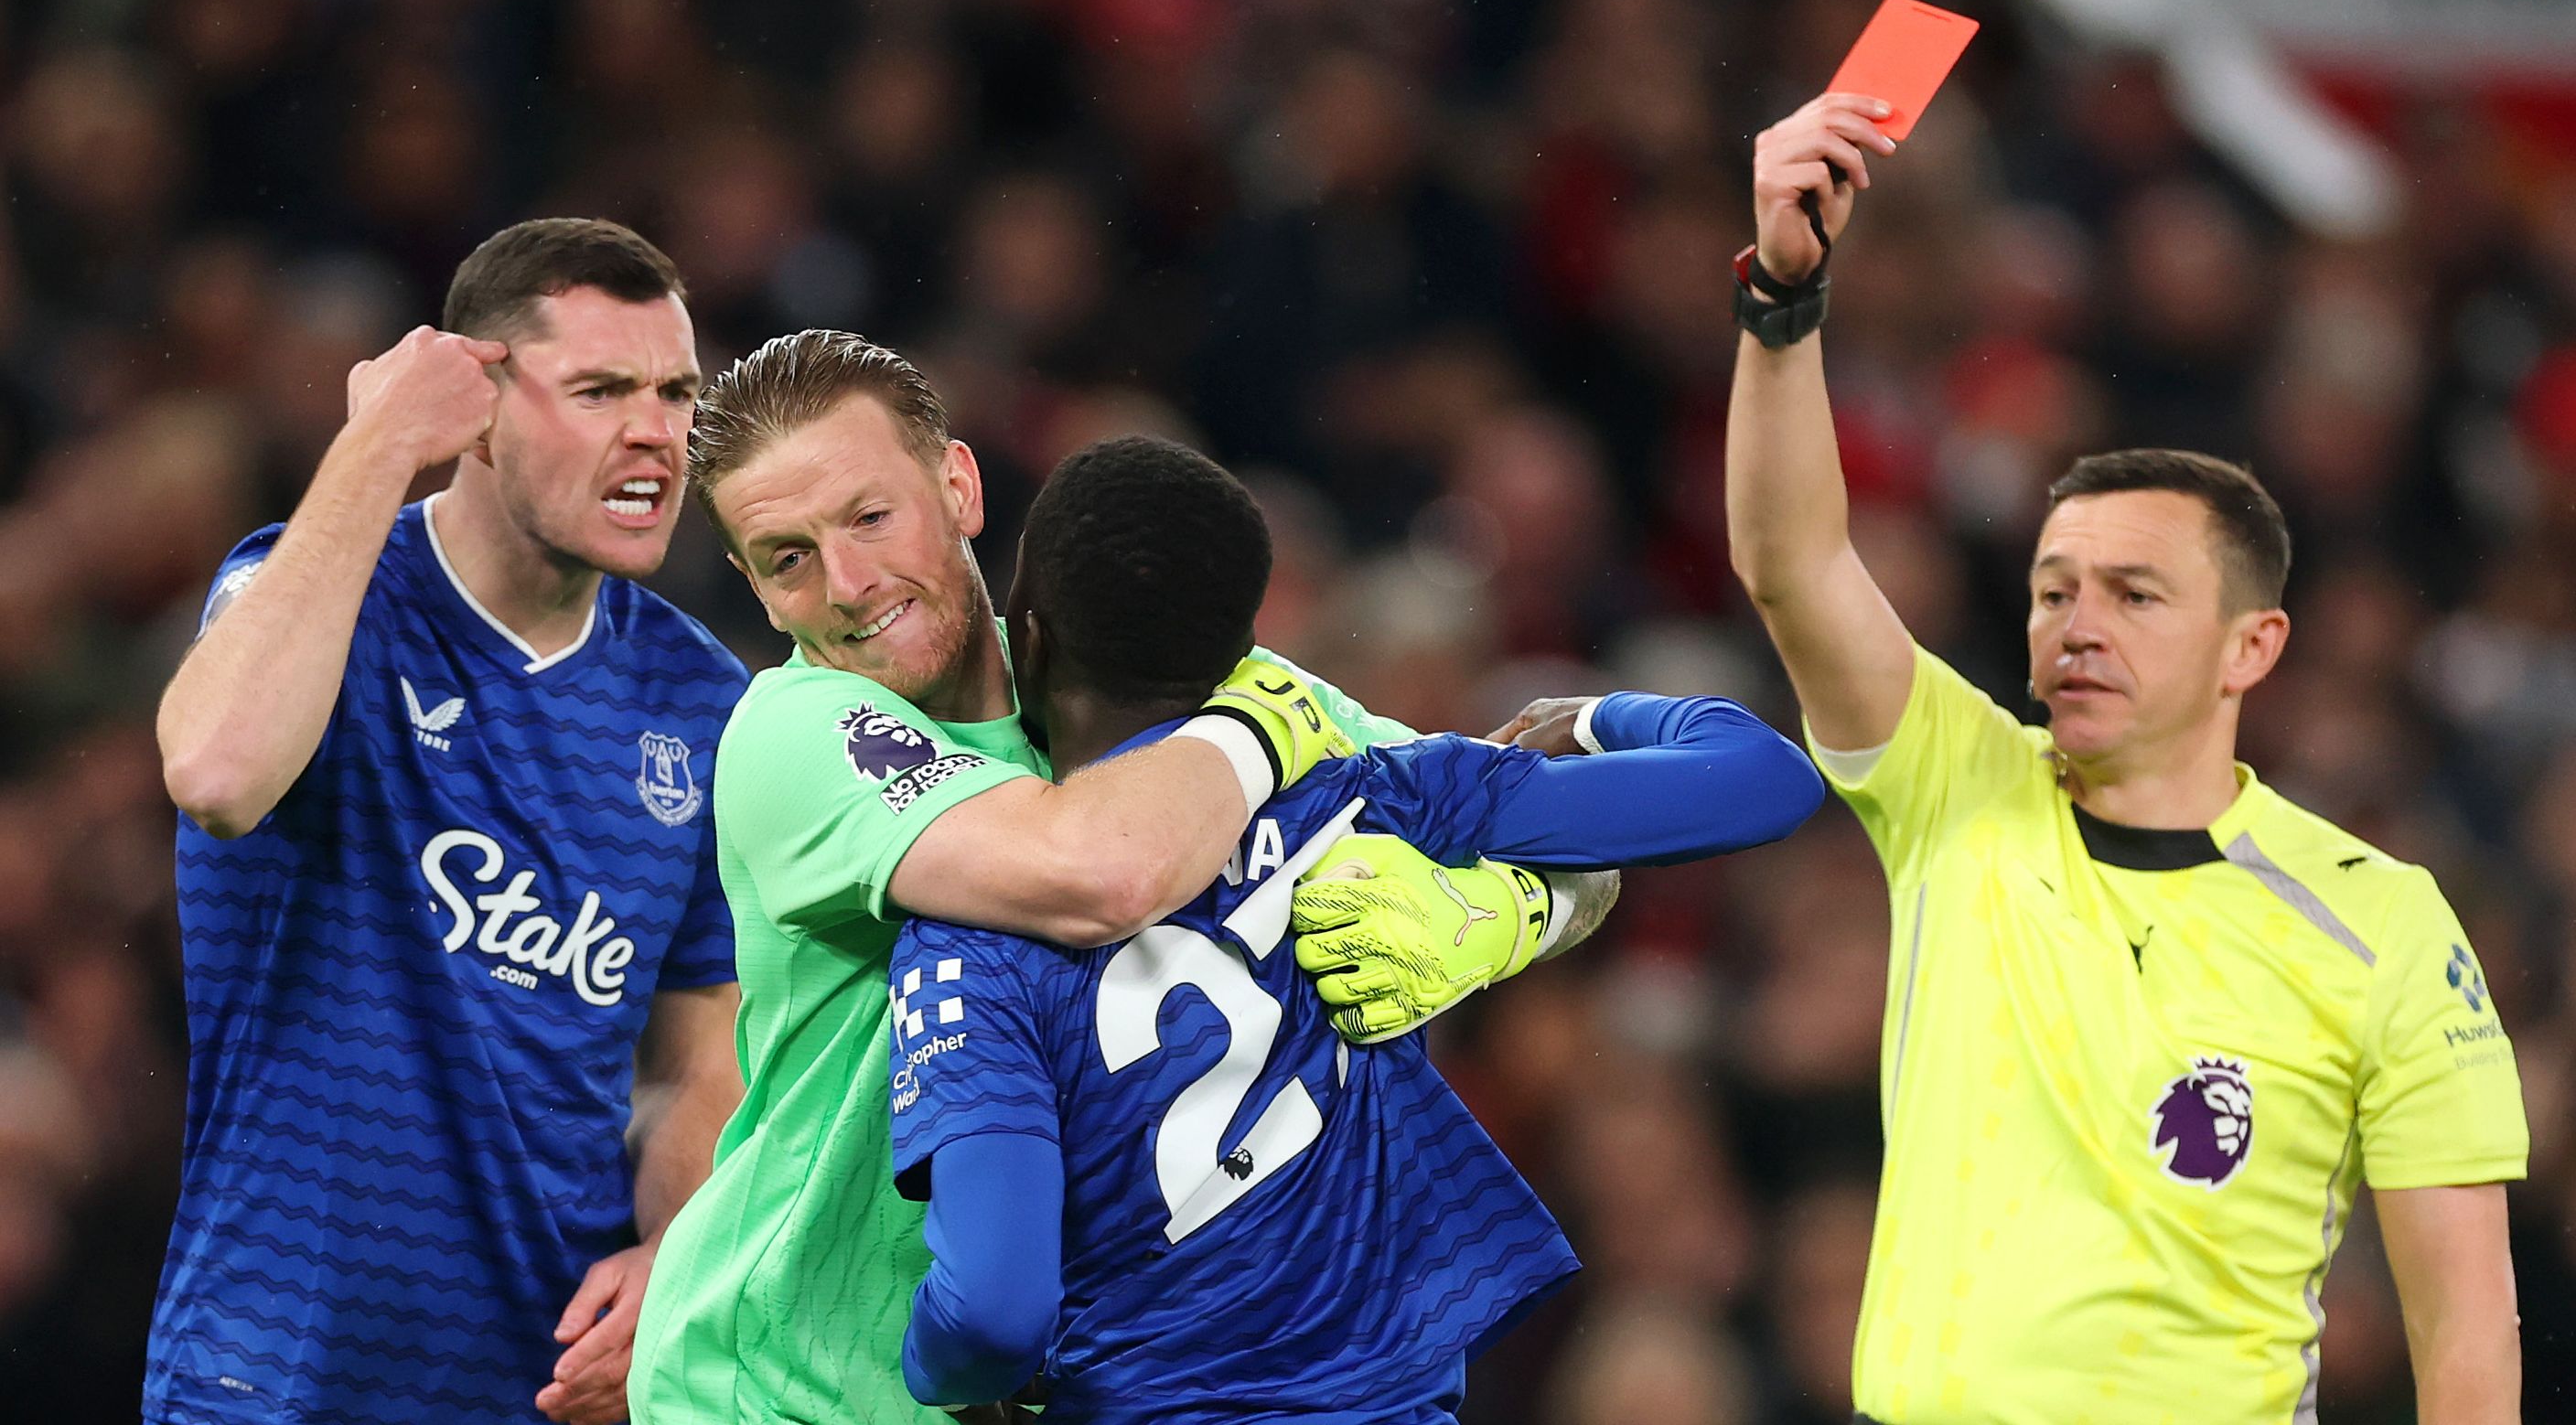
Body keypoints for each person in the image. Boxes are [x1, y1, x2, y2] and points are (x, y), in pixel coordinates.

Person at [626, 332, 1615, 1423]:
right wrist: (1260, 722)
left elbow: (1561, 832)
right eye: (786, 557)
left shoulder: (1132, 673)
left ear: (956, 485)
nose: (848, 585)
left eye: (869, 518)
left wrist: (1499, 914)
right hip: (786, 1387)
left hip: (1034, 1384)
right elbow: (1098, 871)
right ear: (755, 592)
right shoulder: (793, 734)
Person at [1713, 94, 2525, 1422]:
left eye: (2135, 596)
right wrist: (1781, 300)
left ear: (2251, 648)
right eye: (2053, 591)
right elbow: (1792, 563)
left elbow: (2466, 1340)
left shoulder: (2382, 921)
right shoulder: (1955, 785)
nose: (2077, 628)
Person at [885, 435, 1826, 1422]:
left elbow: (992, 1312)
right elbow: (1762, 778)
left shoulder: (973, 927)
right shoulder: (1364, 799)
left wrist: (929, 1372)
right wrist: (1587, 716)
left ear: (1024, 637)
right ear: (1238, 655)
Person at [149, 219, 748, 1425]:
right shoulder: (318, 598)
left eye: (678, 393)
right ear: (475, 406)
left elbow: (700, 1061)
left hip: (539, 1389)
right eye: (601, 390)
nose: (657, 432)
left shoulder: (704, 702)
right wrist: (377, 443)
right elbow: (216, 769)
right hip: (268, 1378)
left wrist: (673, 1264)